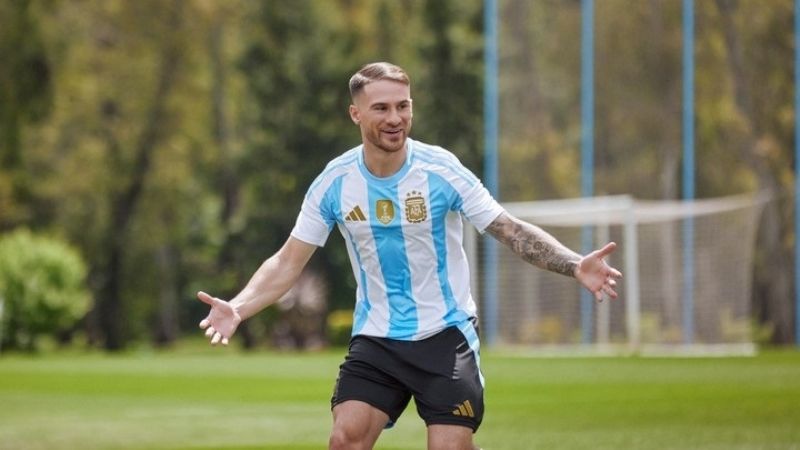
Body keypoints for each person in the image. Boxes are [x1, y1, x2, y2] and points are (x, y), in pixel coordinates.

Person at [197, 61, 623, 450]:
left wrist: (572, 263)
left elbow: (509, 229)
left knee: (449, 448)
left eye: (403, 106)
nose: (395, 118)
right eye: (381, 108)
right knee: (345, 439)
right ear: (356, 114)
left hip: (446, 335)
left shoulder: (442, 171)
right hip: (377, 338)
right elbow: (288, 260)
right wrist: (238, 306)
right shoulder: (335, 183)